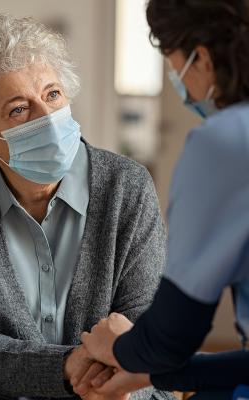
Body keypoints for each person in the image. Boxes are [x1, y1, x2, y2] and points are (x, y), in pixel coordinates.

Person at [0, 13, 174, 400]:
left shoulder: (128, 187)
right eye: (19, 110)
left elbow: (146, 320)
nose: (49, 118)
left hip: (113, 387)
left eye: (52, 94)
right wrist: (61, 367)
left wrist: (102, 379)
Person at [78, 1, 249, 399]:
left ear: (202, 58)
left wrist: (116, 346)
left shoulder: (225, 142)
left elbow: (172, 335)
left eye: (175, 68)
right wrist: (156, 376)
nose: (180, 84)